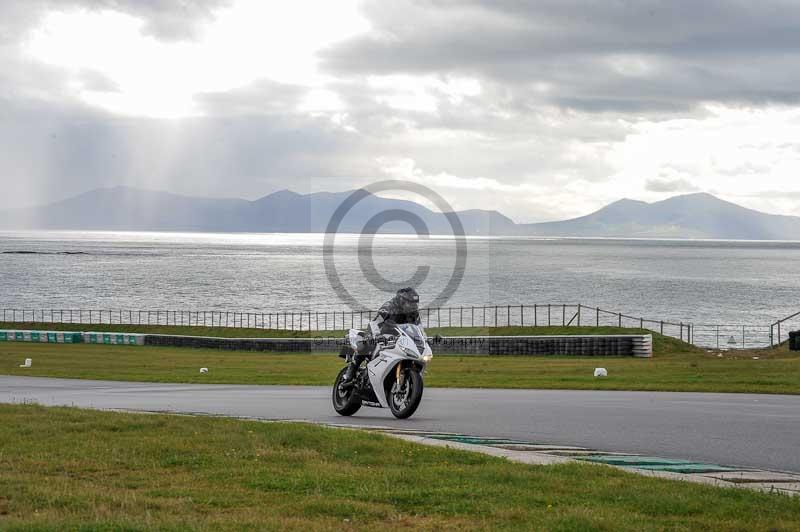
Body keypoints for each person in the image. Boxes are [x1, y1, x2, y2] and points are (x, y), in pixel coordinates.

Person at [342, 287, 420, 382]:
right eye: (411, 303)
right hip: (378, 331)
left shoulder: (414, 313)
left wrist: (422, 338)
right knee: (366, 344)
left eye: (415, 303)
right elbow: (375, 322)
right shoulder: (389, 307)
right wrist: (377, 335)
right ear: (402, 301)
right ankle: (351, 371)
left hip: (396, 336)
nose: (413, 305)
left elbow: (417, 329)